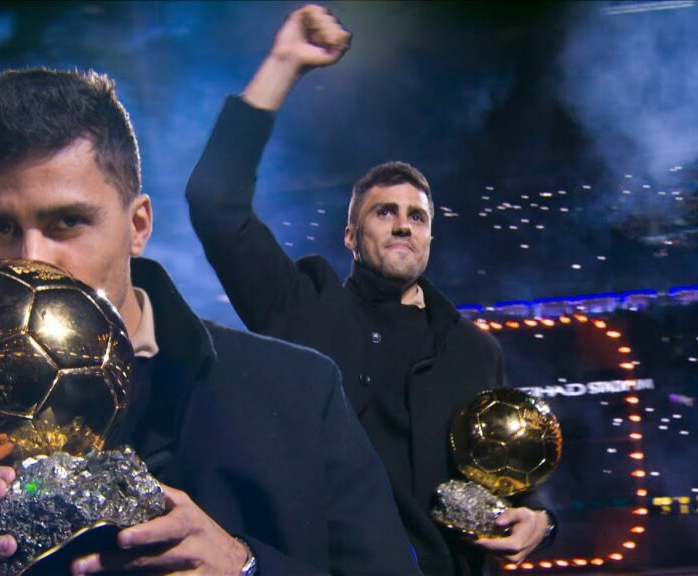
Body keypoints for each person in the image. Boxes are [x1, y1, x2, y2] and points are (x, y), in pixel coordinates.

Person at [0, 68, 419, 575]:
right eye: (0, 227)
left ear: (138, 225)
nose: (32, 260)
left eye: (67, 222)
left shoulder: (298, 389)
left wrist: (246, 567)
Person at [185, 5, 554, 576]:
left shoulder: (475, 351)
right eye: (386, 212)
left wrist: (540, 518)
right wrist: (284, 64)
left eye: (417, 216)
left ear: (431, 235)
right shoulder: (300, 305)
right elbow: (215, 202)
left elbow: (501, 477)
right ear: (351, 236)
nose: (404, 224)